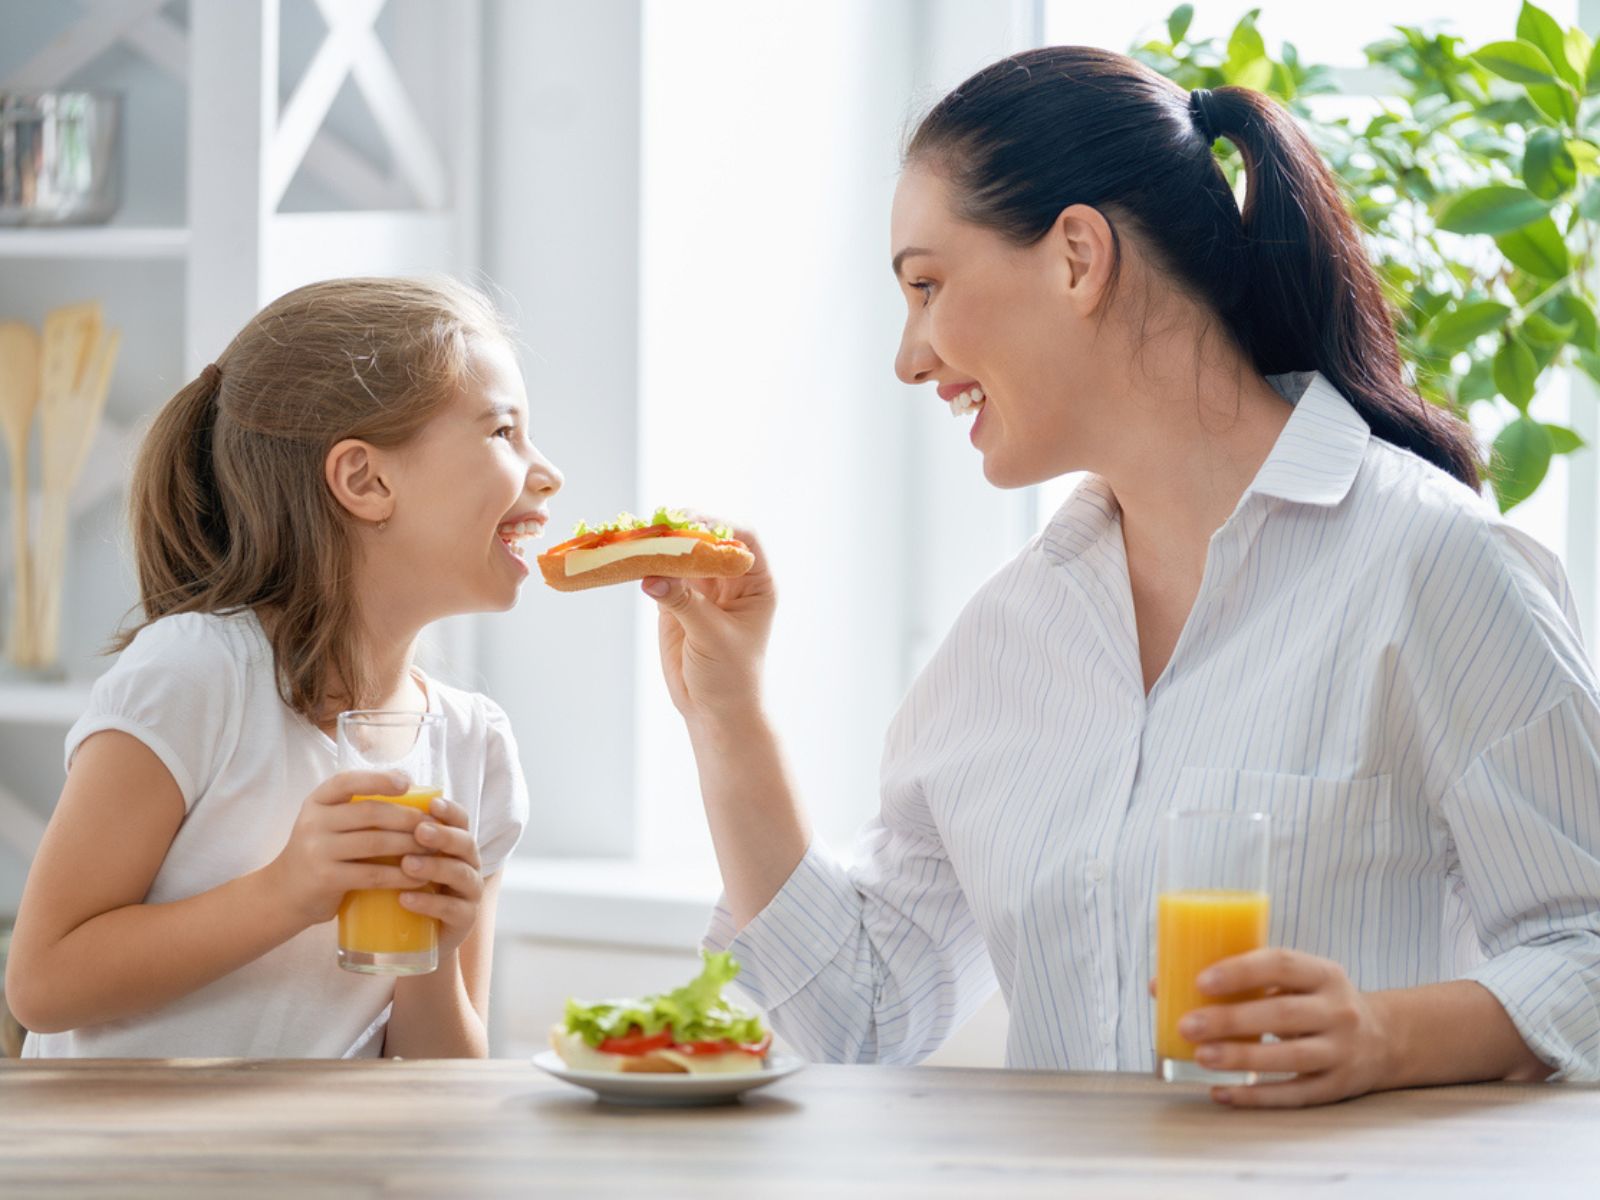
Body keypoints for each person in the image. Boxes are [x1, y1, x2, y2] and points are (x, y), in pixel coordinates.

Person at [639, 47, 1600, 1107]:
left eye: (927, 286)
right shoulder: (1008, 640)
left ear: (1077, 258)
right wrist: (724, 711)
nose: (909, 358)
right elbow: (861, 1018)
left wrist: (1383, 1037)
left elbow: (1586, 948)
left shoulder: (1435, 566)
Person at [6, 276, 562, 1058]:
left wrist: (429, 960)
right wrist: (285, 891)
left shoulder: (476, 750)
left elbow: (440, 1082)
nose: (547, 474)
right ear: (366, 481)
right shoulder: (197, 673)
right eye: (504, 433)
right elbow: (43, 984)